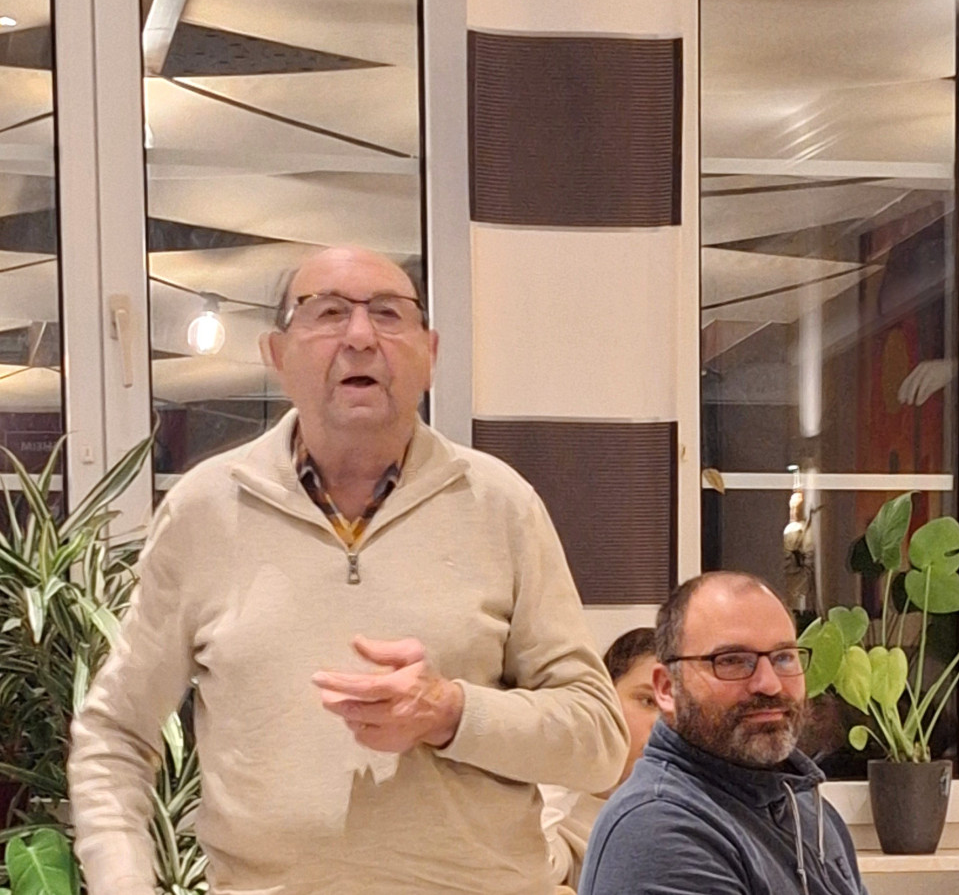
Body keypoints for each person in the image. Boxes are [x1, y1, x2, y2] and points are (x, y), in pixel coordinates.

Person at [68, 245, 629, 895]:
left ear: (430, 354)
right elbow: (115, 733)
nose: (360, 337)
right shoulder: (205, 510)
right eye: (328, 312)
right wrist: (122, 881)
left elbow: (599, 739)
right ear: (277, 355)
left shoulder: (501, 504)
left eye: (389, 314)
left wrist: (451, 712)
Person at [578, 572, 868, 895]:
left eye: (783, 657)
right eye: (731, 661)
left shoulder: (805, 809)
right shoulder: (658, 828)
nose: (769, 684)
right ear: (667, 688)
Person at [542, 627, 659, 889]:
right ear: (605, 698)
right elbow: (529, 874)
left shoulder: (681, 806)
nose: (661, 724)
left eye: (677, 710)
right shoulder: (561, 805)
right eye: (647, 701)